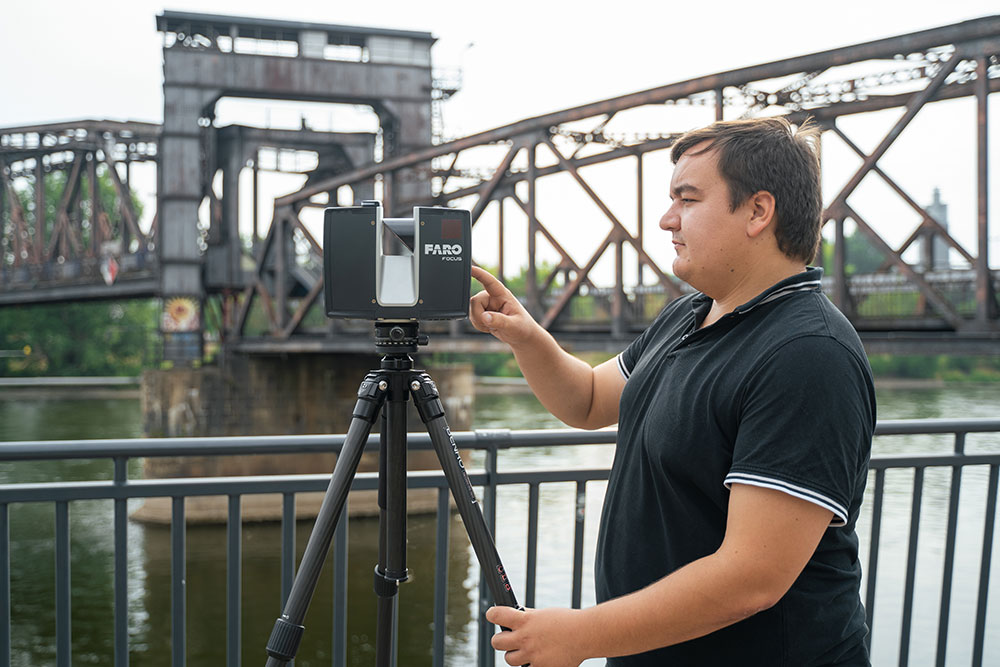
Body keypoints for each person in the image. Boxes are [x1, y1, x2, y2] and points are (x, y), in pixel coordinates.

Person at [470, 117, 875, 667]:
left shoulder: (808, 353)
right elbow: (588, 400)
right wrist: (525, 336)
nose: (666, 220)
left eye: (687, 199)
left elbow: (751, 577)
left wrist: (582, 635)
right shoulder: (691, 315)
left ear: (758, 211)